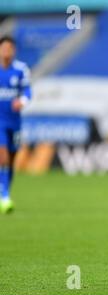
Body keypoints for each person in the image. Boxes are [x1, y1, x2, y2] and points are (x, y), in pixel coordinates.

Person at [0, 36, 31, 214]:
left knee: (11, 159)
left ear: (13, 51)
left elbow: (28, 90)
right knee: (2, 155)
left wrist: (23, 100)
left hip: (15, 121)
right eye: (3, 48)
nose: (6, 51)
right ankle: (3, 195)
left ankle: (5, 191)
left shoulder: (21, 69)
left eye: (9, 48)